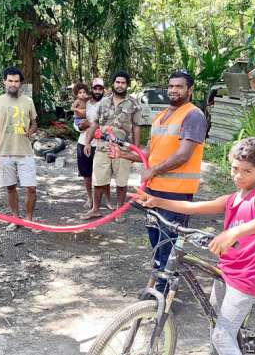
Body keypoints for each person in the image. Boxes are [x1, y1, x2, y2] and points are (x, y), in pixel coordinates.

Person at [134, 137, 255, 355]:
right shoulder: (232, 199)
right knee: (217, 326)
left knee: (222, 336)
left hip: (248, 277)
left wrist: (234, 231)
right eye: (234, 168)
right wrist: (157, 201)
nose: (238, 176)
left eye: (246, 171)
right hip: (226, 271)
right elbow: (194, 207)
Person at [109, 70, 206, 292]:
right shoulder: (161, 116)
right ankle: (161, 286)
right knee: (156, 241)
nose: (173, 90)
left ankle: (163, 293)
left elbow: (184, 155)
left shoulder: (193, 115)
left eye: (179, 86)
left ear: (189, 90)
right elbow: (150, 153)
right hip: (153, 192)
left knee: (169, 243)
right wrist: (124, 155)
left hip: (176, 194)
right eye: (171, 86)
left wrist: (152, 170)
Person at [81, 71, 142, 222]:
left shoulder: (134, 104)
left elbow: (136, 127)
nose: (120, 85)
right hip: (103, 147)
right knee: (98, 180)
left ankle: (119, 211)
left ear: (127, 85)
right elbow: (95, 123)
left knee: (121, 182)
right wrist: (88, 142)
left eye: (123, 83)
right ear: (113, 84)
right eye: (117, 82)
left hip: (122, 150)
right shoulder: (104, 102)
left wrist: (136, 150)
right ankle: (95, 209)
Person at [0, 67, 37, 230]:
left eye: (16, 81)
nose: (13, 84)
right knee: (10, 187)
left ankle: (29, 219)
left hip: (25, 152)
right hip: (4, 152)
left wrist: (30, 131)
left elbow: (34, 123)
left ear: (20, 83)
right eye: (10, 80)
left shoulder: (28, 101)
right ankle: (16, 219)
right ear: (4, 81)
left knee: (30, 188)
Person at [73, 77, 112, 209]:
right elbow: (76, 122)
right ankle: (90, 198)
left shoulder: (109, 104)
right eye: (95, 88)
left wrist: (92, 125)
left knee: (104, 174)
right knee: (86, 174)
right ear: (92, 89)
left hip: (101, 144)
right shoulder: (84, 103)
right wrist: (80, 127)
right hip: (83, 143)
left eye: (100, 88)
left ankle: (107, 200)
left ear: (103, 90)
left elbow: (109, 125)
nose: (97, 90)